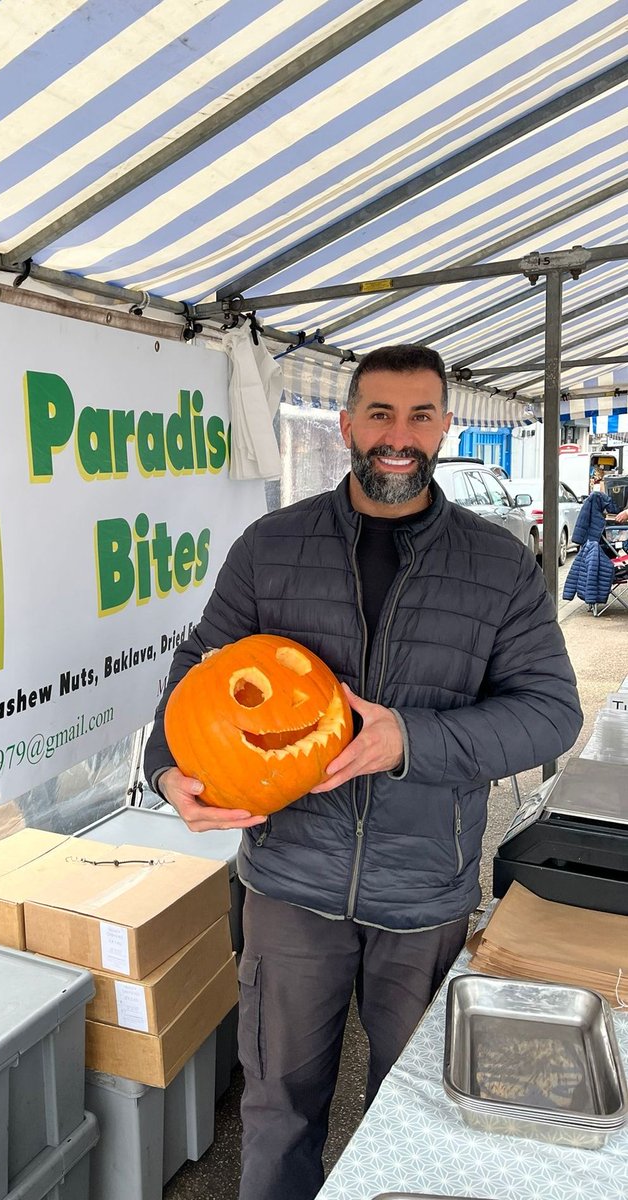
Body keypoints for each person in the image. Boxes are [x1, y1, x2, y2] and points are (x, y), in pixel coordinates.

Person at [144, 344, 582, 1200]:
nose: (399, 436)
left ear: (446, 428)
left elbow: (550, 713)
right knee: (278, 1107)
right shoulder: (271, 546)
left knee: (410, 1110)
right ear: (345, 424)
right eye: (380, 414)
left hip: (424, 894)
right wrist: (168, 770)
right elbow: (194, 675)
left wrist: (407, 742)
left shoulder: (497, 567)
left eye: (421, 415)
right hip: (289, 886)